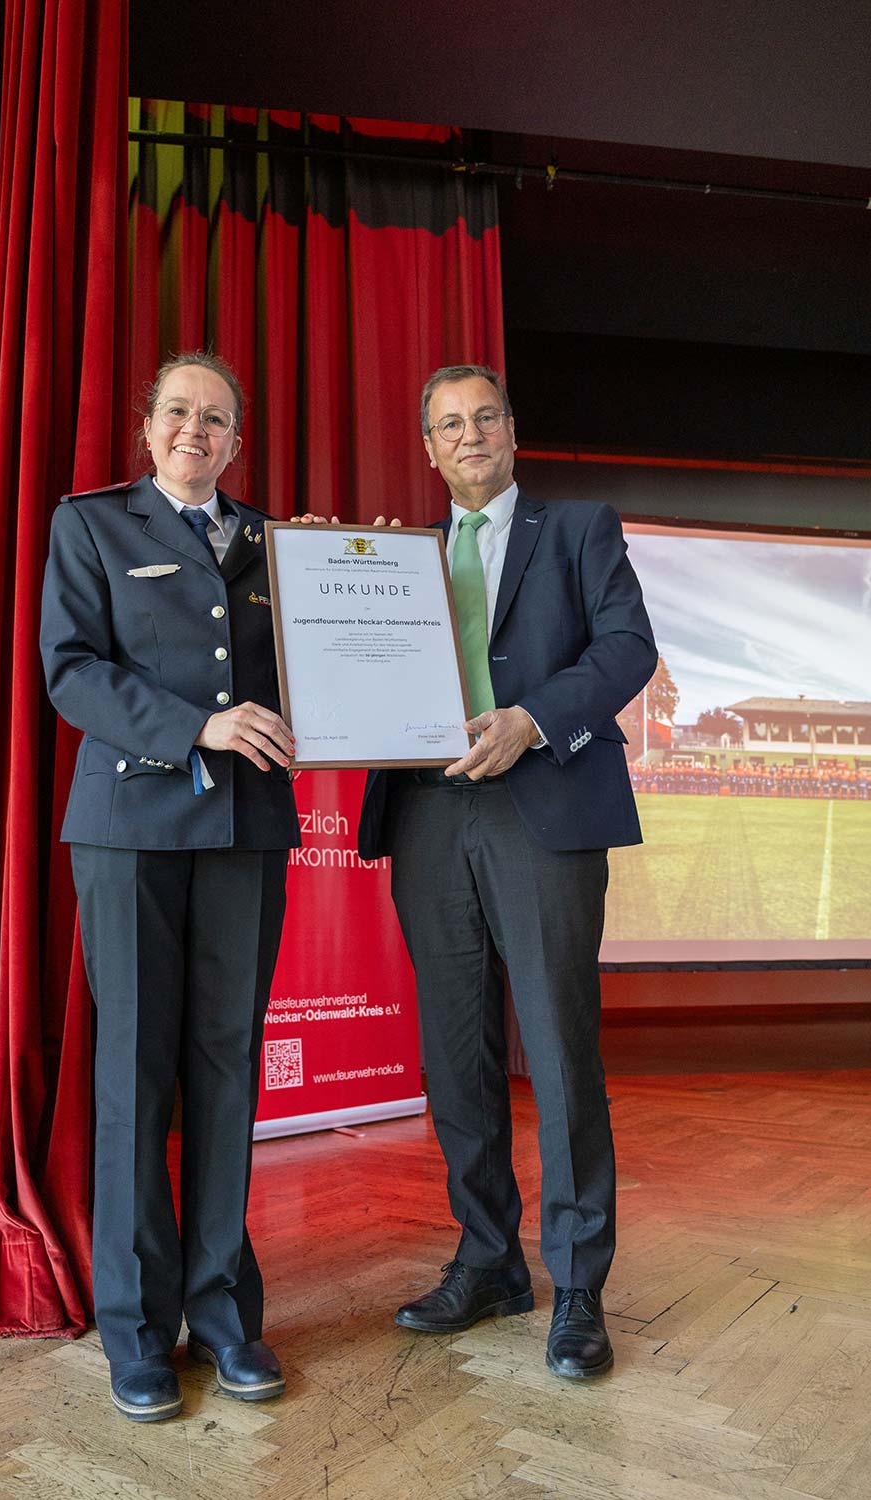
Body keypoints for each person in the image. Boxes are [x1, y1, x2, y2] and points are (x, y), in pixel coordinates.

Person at [358, 364, 657, 1378]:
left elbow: (626, 650)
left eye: (485, 416)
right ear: (429, 448)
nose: (470, 433)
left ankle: (576, 1283)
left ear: (512, 433)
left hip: (544, 808)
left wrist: (533, 720)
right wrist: (310, 565)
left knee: (560, 1053)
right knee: (455, 1056)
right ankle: (488, 1260)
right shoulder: (394, 559)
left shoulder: (578, 531)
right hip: (428, 812)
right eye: (450, 423)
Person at [40, 351, 299, 1421]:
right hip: (132, 830)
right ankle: (138, 1332)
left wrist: (337, 579)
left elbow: (313, 667)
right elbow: (72, 669)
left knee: (229, 1069)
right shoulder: (92, 525)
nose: (198, 430)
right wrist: (197, 725)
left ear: (238, 442)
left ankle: (226, 1316)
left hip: (242, 830)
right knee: (138, 1076)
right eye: (180, 412)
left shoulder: (277, 544)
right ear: (147, 427)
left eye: (219, 419)